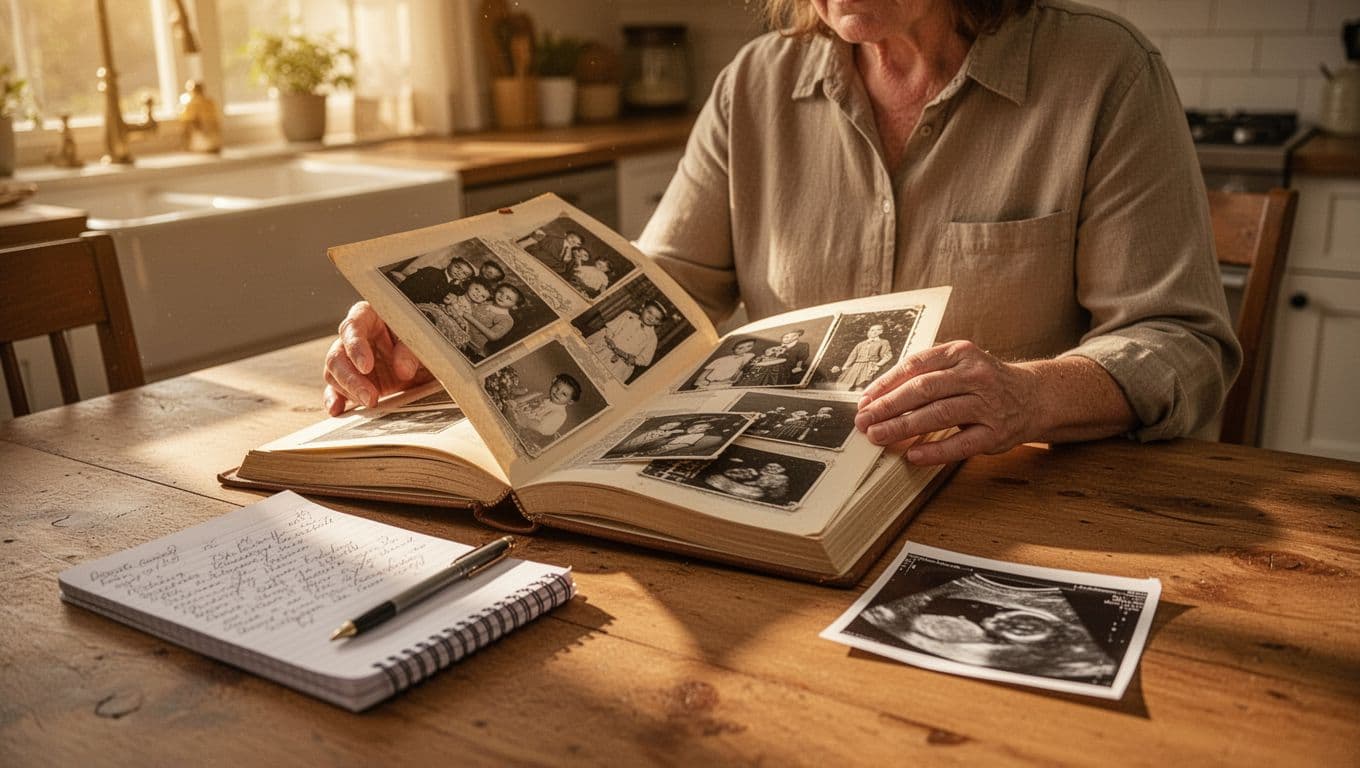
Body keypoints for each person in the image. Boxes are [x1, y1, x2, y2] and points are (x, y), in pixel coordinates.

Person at [324, 0, 1240, 467]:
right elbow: (656, 296)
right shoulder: (757, 81)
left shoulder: (1105, 72)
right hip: (781, 498)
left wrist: (1029, 395)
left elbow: (1181, 343)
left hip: (1017, 515)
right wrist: (452, 342)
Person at [587, 301, 666, 382]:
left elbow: (645, 359)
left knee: (601, 380)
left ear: (659, 323)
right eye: (649, 312)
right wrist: (609, 338)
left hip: (619, 364)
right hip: (604, 349)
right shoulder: (627, 316)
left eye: (656, 318)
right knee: (587, 365)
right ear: (642, 307)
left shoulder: (652, 338)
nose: (651, 318)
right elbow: (611, 328)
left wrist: (631, 358)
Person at [508, 373, 582, 447]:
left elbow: (542, 428)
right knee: (509, 406)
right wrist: (516, 403)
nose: (557, 393)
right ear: (553, 382)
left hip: (532, 432)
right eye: (557, 387)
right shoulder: (542, 396)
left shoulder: (559, 414)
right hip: (522, 418)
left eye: (564, 394)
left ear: (570, 401)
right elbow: (518, 401)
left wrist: (525, 420)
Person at [389, 253, 476, 304]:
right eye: (457, 267)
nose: (459, 272)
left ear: (464, 279)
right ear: (450, 263)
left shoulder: (453, 286)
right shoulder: (432, 272)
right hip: (407, 299)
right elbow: (411, 287)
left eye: (464, 273)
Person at [831, 324, 895, 390]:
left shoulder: (883, 342)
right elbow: (852, 356)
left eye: (877, 330)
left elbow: (888, 355)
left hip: (870, 367)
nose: (874, 332)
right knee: (845, 385)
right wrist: (845, 366)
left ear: (881, 332)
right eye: (872, 330)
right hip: (856, 367)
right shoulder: (861, 344)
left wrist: (878, 364)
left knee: (861, 386)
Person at [693, 338, 758, 389]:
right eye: (740, 348)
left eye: (749, 346)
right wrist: (701, 381)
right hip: (708, 383)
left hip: (726, 384)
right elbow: (706, 372)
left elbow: (736, 377)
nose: (745, 350)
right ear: (733, 349)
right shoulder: (721, 359)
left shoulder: (749, 356)